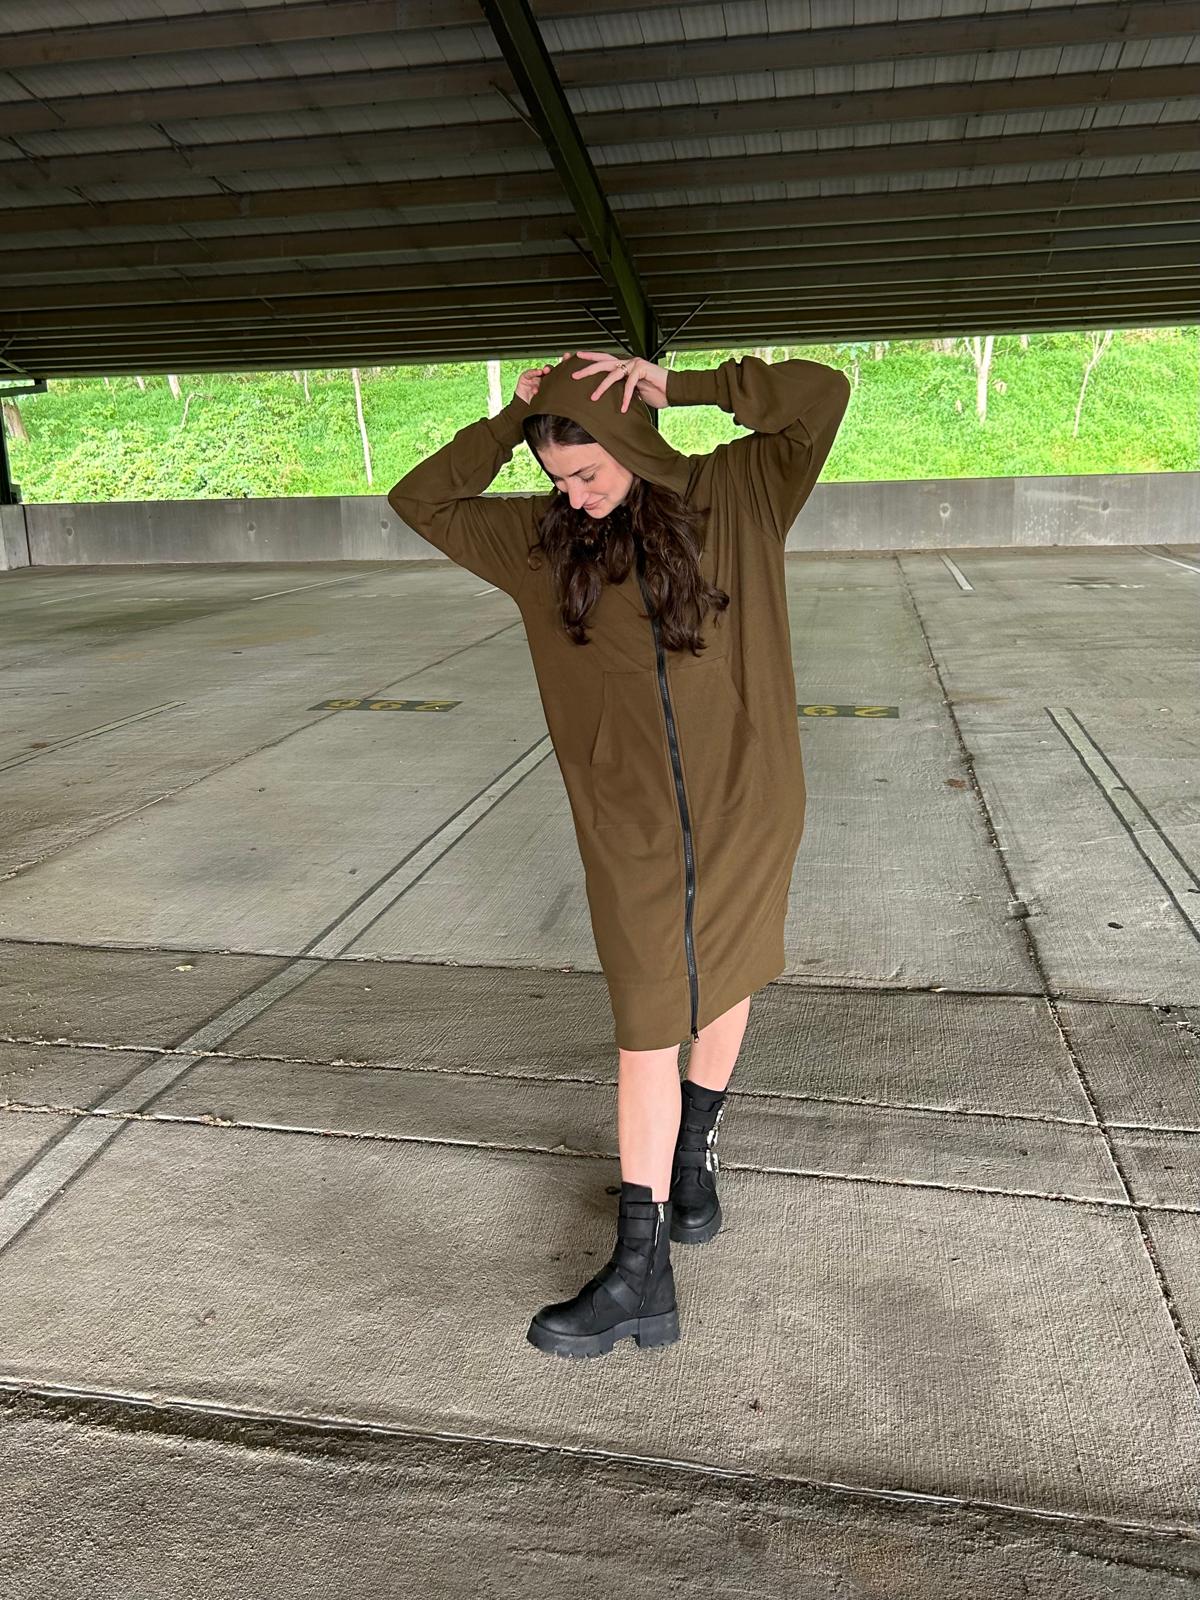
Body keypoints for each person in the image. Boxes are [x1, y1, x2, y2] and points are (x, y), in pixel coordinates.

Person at [387, 348, 851, 1360]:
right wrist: (519, 421)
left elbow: (822, 394)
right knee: (646, 1022)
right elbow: (419, 496)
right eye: (559, 479)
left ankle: (694, 1158)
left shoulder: (740, 496)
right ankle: (641, 1269)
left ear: (638, 443)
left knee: (727, 979)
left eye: (592, 470)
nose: (579, 497)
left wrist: (677, 387)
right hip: (632, 828)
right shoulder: (539, 547)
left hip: (748, 802)